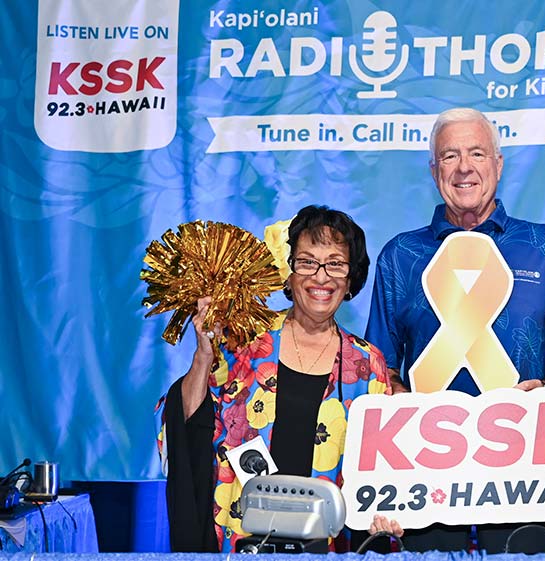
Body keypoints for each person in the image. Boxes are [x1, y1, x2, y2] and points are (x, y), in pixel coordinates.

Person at [364, 107, 545, 552]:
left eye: (477, 153)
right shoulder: (400, 255)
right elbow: (376, 365)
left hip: (526, 469)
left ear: (498, 164)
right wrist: (398, 398)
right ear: (433, 170)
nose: (464, 168)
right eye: (450, 156)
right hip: (425, 470)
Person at [155, 205, 392, 552]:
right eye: (307, 261)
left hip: (322, 547)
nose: (321, 277)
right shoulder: (245, 339)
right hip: (240, 539)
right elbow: (185, 425)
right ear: (289, 271)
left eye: (336, 263)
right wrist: (204, 356)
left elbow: (377, 471)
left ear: (351, 277)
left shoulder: (368, 366)